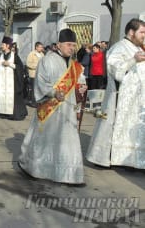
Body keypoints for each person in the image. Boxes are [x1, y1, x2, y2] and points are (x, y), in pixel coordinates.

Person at [19, 29, 87, 184]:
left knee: (67, 141)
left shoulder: (74, 65)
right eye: (69, 44)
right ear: (59, 45)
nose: (72, 48)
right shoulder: (47, 60)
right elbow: (41, 83)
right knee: (46, 140)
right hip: (50, 108)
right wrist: (53, 92)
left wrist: (81, 87)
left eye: (74, 45)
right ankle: (36, 169)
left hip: (68, 110)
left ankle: (69, 175)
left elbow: (79, 81)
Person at [86, 18, 145, 168]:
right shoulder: (119, 47)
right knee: (114, 129)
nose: (144, 35)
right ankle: (109, 159)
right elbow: (114, 70)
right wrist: (133, 60)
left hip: (137, 100)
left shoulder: (137, 48)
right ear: (131, 32)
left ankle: (132, 161)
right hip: (121, 99)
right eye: (142, 32)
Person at [0, 36, 28, 121]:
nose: (1, 46)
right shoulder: (0, 55)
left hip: (12, 82)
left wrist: (10, 64)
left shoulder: (15, 56)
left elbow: (20, 67)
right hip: (1, 81)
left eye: (3, 44)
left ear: (7, 46)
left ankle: (12, 114)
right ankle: (1, 113)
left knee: (13, 97)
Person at [26, 42, 44, 107]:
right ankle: (33, 102)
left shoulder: (42, 54)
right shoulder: (31, 54)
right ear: (36, 47)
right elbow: (28, 63)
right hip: (33, 74)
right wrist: (37, 66)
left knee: (39, 89)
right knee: (34, 89)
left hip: (41, 75)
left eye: (42, 47)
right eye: (40, 47)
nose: (41, 48)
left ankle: (39, 101)